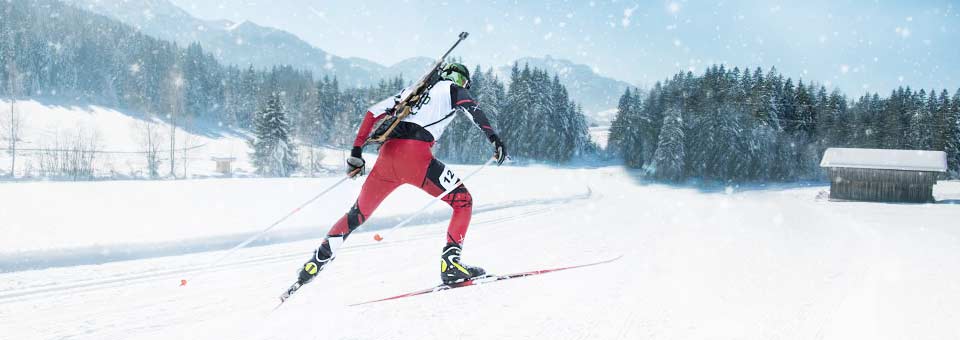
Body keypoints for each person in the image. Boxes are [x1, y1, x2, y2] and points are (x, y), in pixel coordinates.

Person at [289, 63, 507, 293]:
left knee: (356, 215)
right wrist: (494, 138)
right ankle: (451, 265)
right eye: (465, 83)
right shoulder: (453, 88)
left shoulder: (412, 92)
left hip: (386, 159)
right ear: (459, 79)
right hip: (416, 158)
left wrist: (356, 153)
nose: (464, 87)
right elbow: (473, 110)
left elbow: (372, 113)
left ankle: (317, 261)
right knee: (463, 202)